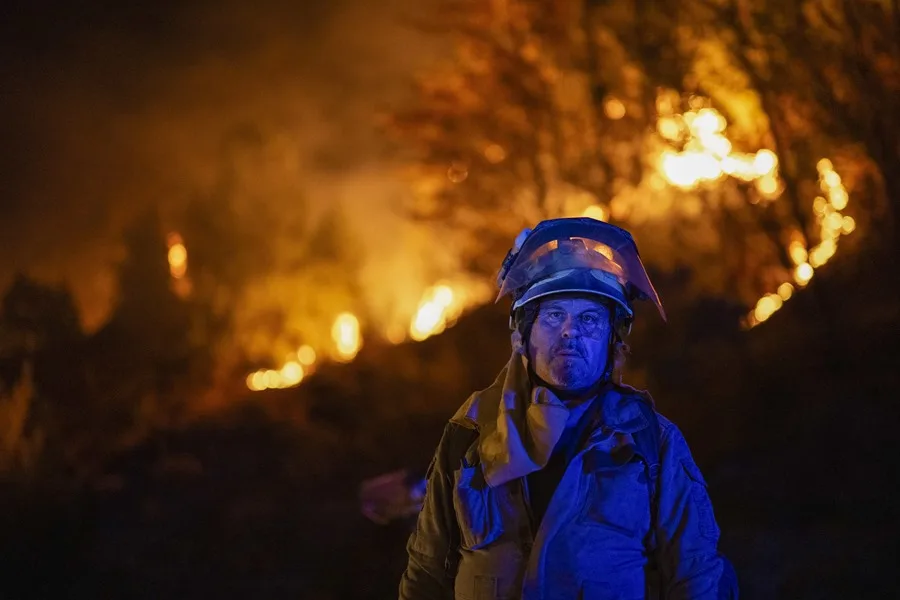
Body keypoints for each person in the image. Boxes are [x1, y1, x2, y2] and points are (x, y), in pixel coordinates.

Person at [399, 217, 737, 599]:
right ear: (522, 335)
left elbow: (697, 576)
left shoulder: (650, 443)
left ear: (614, 340)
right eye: (554, 315)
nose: (570, 332)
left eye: (590, 319)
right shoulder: (470, 435)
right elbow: (426, 572)